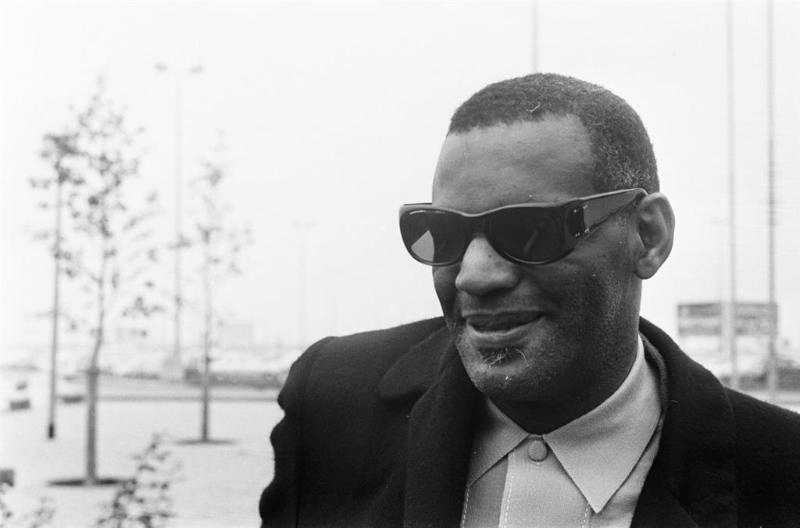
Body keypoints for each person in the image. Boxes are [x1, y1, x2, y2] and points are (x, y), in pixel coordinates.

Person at [259, 73, 800, 528]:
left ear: (648, 235)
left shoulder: (781, 470)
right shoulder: (333, 406)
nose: (475, 275)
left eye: (530, 230)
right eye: (442, 234)